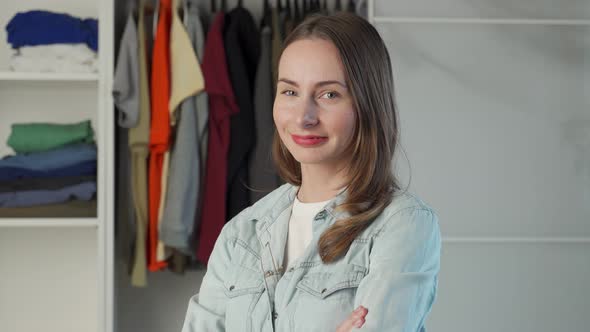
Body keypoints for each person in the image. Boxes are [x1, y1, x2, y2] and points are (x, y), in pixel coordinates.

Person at [181, 12, 441, 332]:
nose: (304, 116)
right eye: (290, 91)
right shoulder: (241, 235)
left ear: (368, 103)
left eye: (329, 94)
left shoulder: (401, 224)